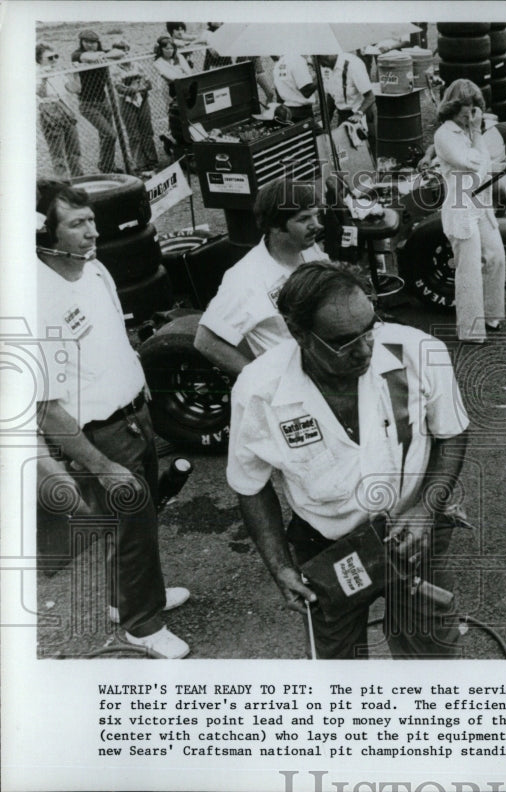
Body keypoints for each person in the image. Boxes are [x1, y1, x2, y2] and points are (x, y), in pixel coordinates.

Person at [227, 263, 470, 658]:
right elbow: (250, 487)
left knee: (429, 653)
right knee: (337, 662)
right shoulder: (259, 391)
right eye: (343, 341)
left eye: (369, 328)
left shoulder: (419, 353)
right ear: (299, 334)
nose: (364, 350)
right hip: (326, 548)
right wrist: (281, 567)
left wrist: (426, 508)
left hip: (413, 531)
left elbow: (452, 433)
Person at [34, 181, 190, 658]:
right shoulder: (38, 299)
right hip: (101, 433)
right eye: (77, 224)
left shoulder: (94, 266)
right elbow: (46, 408)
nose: (92, 232)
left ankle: (131, 600)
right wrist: (100, 464)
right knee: (132, 525)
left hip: (134, 414)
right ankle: (141, 627)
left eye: (92, 221)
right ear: (43, 232)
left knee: (138, 523)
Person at [194, 177, 328, 376]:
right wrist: (259, 380)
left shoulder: (308, 249)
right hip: (295, 379)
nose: (316, 226)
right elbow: (205, 341)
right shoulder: (245, 279)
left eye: (316, 216)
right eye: (303, 219)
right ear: (275, 226)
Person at [432, 79, 506, 343]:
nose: (471, 114)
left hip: (479, 205)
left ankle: (492, 315)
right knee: (469, 269)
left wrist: (475, 135)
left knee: (496, 256)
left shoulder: (467, 132)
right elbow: (476, 163)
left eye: (475, 108)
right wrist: (477, 133)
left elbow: (486, 160)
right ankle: (471, 330)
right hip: (460, 208)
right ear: (453, 107)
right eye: (466, 109)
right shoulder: (445, 135)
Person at [68, 29, 126, 174]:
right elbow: (87, 57)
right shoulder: (76, 54)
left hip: (103, 101)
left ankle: (108, 167)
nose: (90, 45)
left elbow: (120, 53)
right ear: (81, 42)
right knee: (110, 135)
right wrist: (100, 56)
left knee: (105, 136)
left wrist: (103, 54)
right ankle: (104, 165)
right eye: (87, 42)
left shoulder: (101, 52)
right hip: (88, 104)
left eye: (94, 42)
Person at [36, 43, 83, 179]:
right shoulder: (35, 74)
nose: (54, 60)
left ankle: (79, 180)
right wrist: (44, 78)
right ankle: (63, 185)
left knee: (74, 151)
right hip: (50, 113)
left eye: (56, 56)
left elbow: (75, 89)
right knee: (58, 156)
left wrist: (76, 74)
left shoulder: (58, 73)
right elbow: (41, 94)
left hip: (65, 112)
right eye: (50, 58)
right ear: (39, 60)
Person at [113, 46, 159, 173]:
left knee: (147, 130)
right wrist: (136, 88)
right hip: (127, 102)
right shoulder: (114, 69)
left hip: (142, 100)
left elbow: (149, 84)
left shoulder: (137, 65)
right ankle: (139, 164)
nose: (125, 56)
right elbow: (119, 88)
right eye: (121, 55)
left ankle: (152, 160)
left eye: (126, 52)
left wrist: (138, 88)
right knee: (133, 134)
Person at [319, 52, 375, 126]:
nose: (322, 64)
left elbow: (370, 96)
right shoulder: (325, 66)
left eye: (322, 59)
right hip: (343, 113)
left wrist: (359, 113)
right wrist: (326, 123)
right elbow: (331, 95)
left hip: (361, 112)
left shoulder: (353, 64)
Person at [272, 53, 317, 121]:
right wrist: (320, 76)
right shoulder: (297, 60)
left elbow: (279, 97)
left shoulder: (278, 65)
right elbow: (306, 91)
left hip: (289, 112)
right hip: (302, 113)